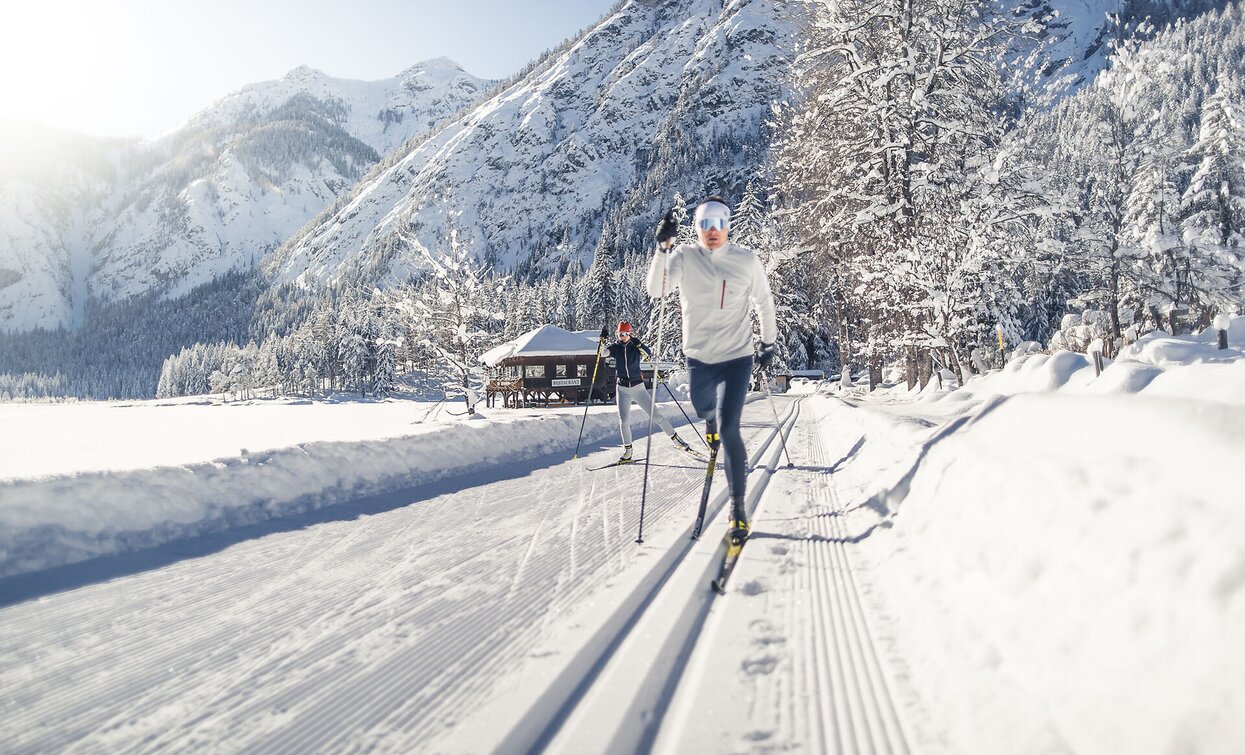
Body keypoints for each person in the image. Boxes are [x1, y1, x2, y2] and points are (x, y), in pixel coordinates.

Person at [648, 197, 777, 539]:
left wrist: (768, 342)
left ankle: (738, 508)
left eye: (719, 223)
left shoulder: (745, 261)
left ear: (728, 225)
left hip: (737, 358)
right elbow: (655, 290)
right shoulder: (685, 257)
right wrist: (662, 249)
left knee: (730, 427)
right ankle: (710, 420)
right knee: (704, 407)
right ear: (697, 228)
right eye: (706, 224)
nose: (713, 231)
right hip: (699, 358)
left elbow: (764, 301)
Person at [606, 320, 693, 463]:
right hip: (622, 389)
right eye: (619, 334)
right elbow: (604, 353)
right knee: (624, 421)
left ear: (629, 334)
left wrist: (640, 345)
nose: (621, 336)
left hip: (638, 388)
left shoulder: (635, 346)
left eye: (624, 334)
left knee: (656, 416)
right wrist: (602, 342)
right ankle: (628, 452)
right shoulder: (616, 348)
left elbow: (648, 353)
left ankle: (677, 440)